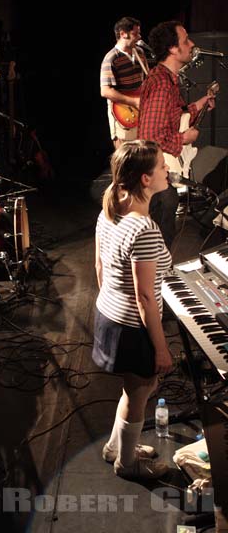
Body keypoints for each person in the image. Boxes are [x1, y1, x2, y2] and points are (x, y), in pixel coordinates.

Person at [93, 139, 173, 479]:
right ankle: (127, 464)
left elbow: (98, 267)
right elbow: (145, 298)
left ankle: (117, 446)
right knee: (139, 392)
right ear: (145, 178)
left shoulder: (108, 213)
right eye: (162, 167)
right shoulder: (145, 230)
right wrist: (161, 347)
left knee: (135, 388)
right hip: (132, 327)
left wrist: (113, 301)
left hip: (108, 316)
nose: (168, 171)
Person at [138, 20, 215, 249]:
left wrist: (198, 106)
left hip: (160, 177)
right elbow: (151, 138)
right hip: (157, 181)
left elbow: (173, 118)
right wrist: (184, 139)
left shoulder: (167, 80)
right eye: (186, 40)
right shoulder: (162, 84)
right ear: (173, 48)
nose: (191, 44)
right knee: (158, 247)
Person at [100, 16, 149, 149]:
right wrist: (133, 102)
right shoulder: (111, 58)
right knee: (126, 156)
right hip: (123, 113)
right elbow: (105, 91)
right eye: (135, 33)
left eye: (139, 32)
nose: (139, 37)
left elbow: (146, 80)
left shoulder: (140, 53)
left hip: (140, 112)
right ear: (123, 34)